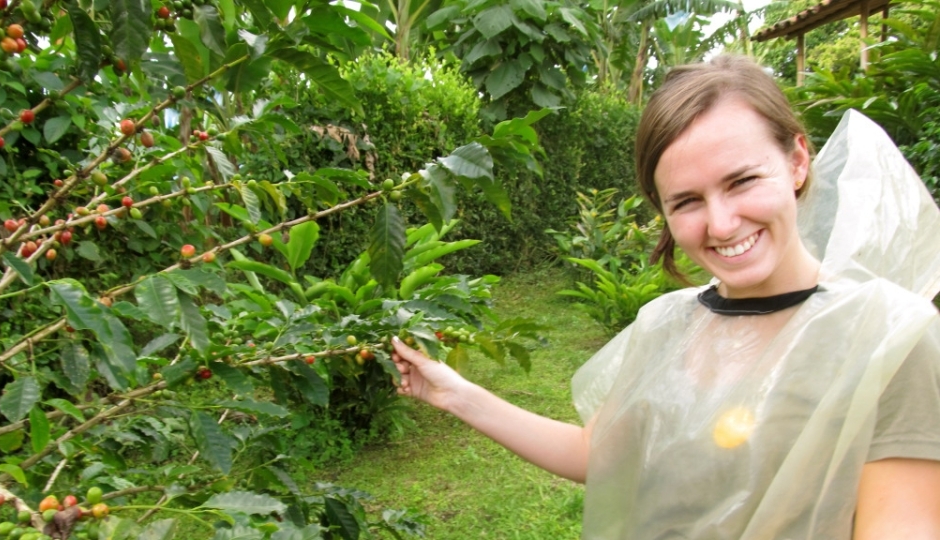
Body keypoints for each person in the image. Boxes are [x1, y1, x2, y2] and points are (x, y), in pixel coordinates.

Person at [390, 55, 940, 539]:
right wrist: (454, 393)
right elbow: (600, 455)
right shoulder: (665, 324)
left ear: (797, 160)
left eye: (742, 180)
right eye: (687, 201)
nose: (722, 223)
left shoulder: (889, 336)